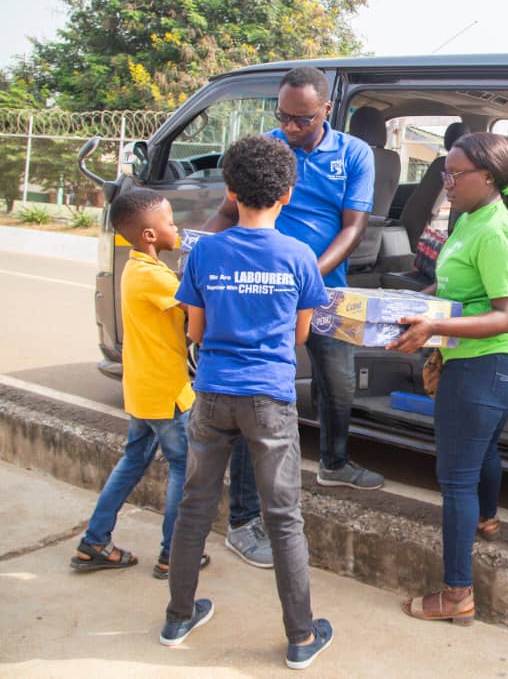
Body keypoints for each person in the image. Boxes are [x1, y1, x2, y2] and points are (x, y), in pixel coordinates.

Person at [163, 135, 333, 669]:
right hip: (269, 398)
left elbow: (195, 330)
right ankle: (301, 637)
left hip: (212, 392)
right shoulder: (299, 256)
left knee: (195, 506)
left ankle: (178, 617)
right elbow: (301, 335)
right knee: (283, 516)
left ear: (230, 192)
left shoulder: (205, 251)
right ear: (287, 194)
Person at [204, 66, 384, 570]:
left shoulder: (353, 154)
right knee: (259, 400)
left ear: (327, 110)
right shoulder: (265, 149)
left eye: (302, 119)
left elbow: (353, 228)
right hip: (267, 292)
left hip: (325, 287)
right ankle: (243, 520)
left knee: (339, 382)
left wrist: (307, 277)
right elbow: (226, 214)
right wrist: (199, 251)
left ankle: (334, 462)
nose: (290, 127)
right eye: (282, 116)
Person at [388, 132, 508, 625]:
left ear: (488, 178)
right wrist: (412, 304)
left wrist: (434, 328)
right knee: (484, 450)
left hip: (486, 364)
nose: (446, 183)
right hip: (496, 365)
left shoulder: (496, 232)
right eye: (443, 173)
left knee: (456, 480)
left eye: (455, 175)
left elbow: (507, 315)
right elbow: (452, 284)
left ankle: (457, 595)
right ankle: (488, 519)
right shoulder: (471, 218)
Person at [70, 190, 209, 580]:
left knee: (133, 460)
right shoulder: (154, 277)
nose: (176, 228)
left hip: (143, 387)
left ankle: (94, 542)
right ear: (149, 235)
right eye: (170, 222)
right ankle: (173, 554)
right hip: (166, 391)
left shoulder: (136, 269)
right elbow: (196, 309)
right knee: (183, 467)